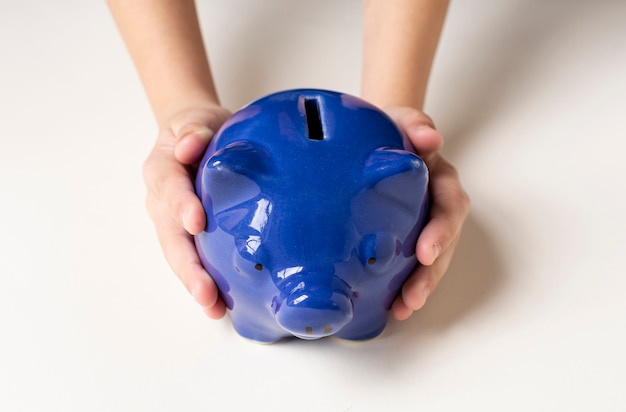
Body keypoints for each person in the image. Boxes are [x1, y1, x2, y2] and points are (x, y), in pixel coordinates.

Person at [107, 0, 469, 322]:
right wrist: (182, 108)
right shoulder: (229, 173)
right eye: (254, 259)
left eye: (373, 257)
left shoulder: (394, 174)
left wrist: (394, 111)